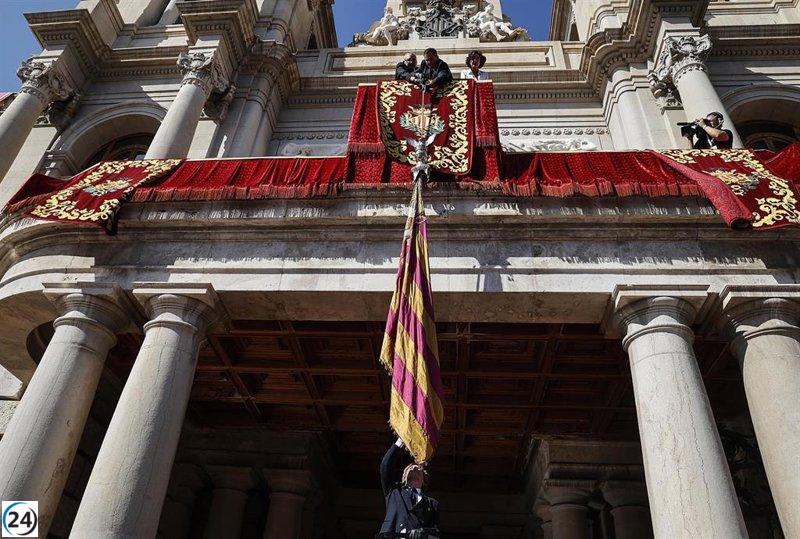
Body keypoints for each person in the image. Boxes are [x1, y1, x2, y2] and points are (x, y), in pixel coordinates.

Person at [378, 438, 440, 539]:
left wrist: (422, 532)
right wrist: (400, 441)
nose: (413, 468)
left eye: (418, 469)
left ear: (423, 479)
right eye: (409, 469)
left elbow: (436, 534)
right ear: (404, 478)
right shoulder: (394, 491)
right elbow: (385, 466)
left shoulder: (432, 504)